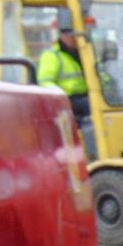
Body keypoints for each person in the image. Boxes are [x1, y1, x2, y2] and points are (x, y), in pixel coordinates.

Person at [37, 15, 98, 159]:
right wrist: (61, 97)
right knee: (91, 106)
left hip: (87, 95)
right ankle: (93, 151)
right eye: (73, 35)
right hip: (66, 99)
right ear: (64, 35)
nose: (76, 39)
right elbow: (45, 81)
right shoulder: (53, 56)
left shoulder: (83, 54)